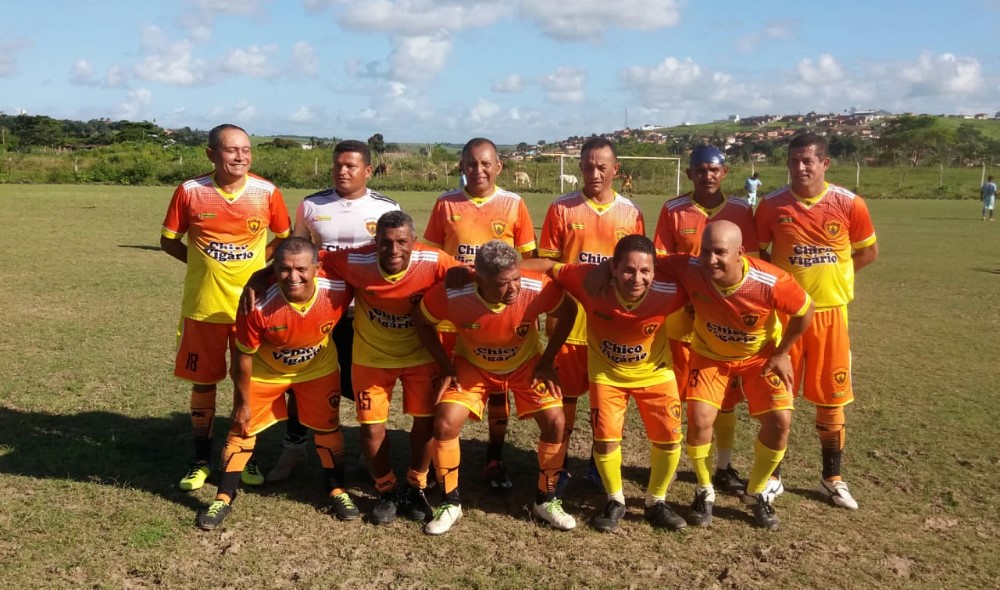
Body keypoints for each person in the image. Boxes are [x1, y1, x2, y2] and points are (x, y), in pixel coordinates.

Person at [652, 221, 814, 530]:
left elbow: (806, 310)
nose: (710, 260)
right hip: (709, 356)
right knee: (699, 420)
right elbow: (649, 259)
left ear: (740, 252)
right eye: (705, 251)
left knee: (780, 422)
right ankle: (704, 490)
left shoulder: (771, 281)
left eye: (720, 252)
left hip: (760, 357)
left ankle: (756, 492)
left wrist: (782, 353)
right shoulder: (689, 267)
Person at [413, 240, 578, 534]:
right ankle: (450, 502)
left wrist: (546, 361)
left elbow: (569, 312)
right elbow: (421, 320)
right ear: (479, 279)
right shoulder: (454, 293)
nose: (513, 288)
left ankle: (546, 499)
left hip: (525, 365)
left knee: (556, 421)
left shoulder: (536, 287)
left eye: (516, 278)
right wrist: (446, 366)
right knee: (444, 423)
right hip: (473, 366)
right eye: (503, 284)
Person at [160, 123, 291, 492]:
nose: (241, 157)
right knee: (204, 382)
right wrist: (203, 266)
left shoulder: (266, 192)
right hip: (204, 307)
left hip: (252, 308)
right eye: (232, 150)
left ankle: (242, 456)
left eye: (246, 150)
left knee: (246, 383)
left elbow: (284, 239)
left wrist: (259, 270)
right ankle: (201, 460)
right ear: (211, 154)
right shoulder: (190, 191)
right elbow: (169, 240)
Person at [528, 235, 688, 533]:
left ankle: (656, 502)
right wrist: (493, 272)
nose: (637, 279)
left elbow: (704, 278)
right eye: (628, 270)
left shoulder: (671, 290)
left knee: (669, 438)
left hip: (656, 373)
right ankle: (615, 500)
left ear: (655, 271)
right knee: (605, 439)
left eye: (645, 271)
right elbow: (549, 266)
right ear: (613, 267)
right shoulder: (588, 281)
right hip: (607, 375)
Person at [195, 238, 357, 529]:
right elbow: (243, 356)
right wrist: (241, 403)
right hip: (266, 372)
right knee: (241, 428)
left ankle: (337, 490)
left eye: (301, 269)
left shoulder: (339, 287)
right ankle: (223, 497)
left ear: (317, 268)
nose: (293, 277)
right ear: (275, 267)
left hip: (317, 370)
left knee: (328, 428)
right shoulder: (255, 302)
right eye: (284, 269)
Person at [755, 132, 878, 511]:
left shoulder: (849, 204)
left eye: (807, 160)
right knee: (778, 398)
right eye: (794, 161)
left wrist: (836, 278)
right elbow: (759, 254)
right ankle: (772, 477)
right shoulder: (771, 205)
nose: (800, 167)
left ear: (825, 163)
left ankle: (832, 479)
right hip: (785, 318)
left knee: (831, 398)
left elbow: (867, 252)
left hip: (830, 316)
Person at [268, 140, 400, 483]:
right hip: (316, 311)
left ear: (367, 171)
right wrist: (262, 279)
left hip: (364, 314)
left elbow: (395, 258)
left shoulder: (385, 208)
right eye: (337, 165)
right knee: (301, 378)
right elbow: (294, 252)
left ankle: (368, 454)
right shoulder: (312, 205)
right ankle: (294, 448)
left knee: (360, 384)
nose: (342, 171)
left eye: (350, 166)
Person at [318, 210, 461, 525]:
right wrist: (261, 277)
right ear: (375, 242)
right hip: (371, 358)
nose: (393, 250)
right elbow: (306, 258)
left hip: (421, 357)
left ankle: (416, 486)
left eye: (402, 242)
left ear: (414, 241)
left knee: (425, 423)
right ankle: (386, 490)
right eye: (385, 242)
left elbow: (471, 276)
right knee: (371, 428)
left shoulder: (435, 260)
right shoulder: (356, 260)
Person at [423, 137, 538, 492]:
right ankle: (436, 466)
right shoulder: (446, 203)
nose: (479, 170)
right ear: (461, 166)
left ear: (498, 166)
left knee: (499, 389)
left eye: (486, 163)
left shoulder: (514, 204)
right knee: (445, 387)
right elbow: (431, 255)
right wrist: (452, 271)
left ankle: (494, 459)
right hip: (454, 315)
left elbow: (529, 261)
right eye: (471, 164)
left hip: (498, 313)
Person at [538, 136, 645, 489]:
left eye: (601, 167)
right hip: (569, 324)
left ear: (616, 169)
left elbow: (638, 271)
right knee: (565, 400)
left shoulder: (631, 213)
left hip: (611, 326)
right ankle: (561, 465)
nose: (594, 174)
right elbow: (548, 266)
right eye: (588, 167)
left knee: (607, 403)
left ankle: (599, 465)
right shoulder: (562, 208)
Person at [653, 145, 759, 497]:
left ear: (724, 172)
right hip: (682, 322)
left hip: (723, 325)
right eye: (700, 170)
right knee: (676, 399)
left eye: (714, 170)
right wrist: (690, 300)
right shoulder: (673, 209)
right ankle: (670, 465)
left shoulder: (741, 210)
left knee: (724, 402)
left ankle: (724, 467)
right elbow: (661, 262)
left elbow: (751, 263)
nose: (707, 176)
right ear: (690, 174)